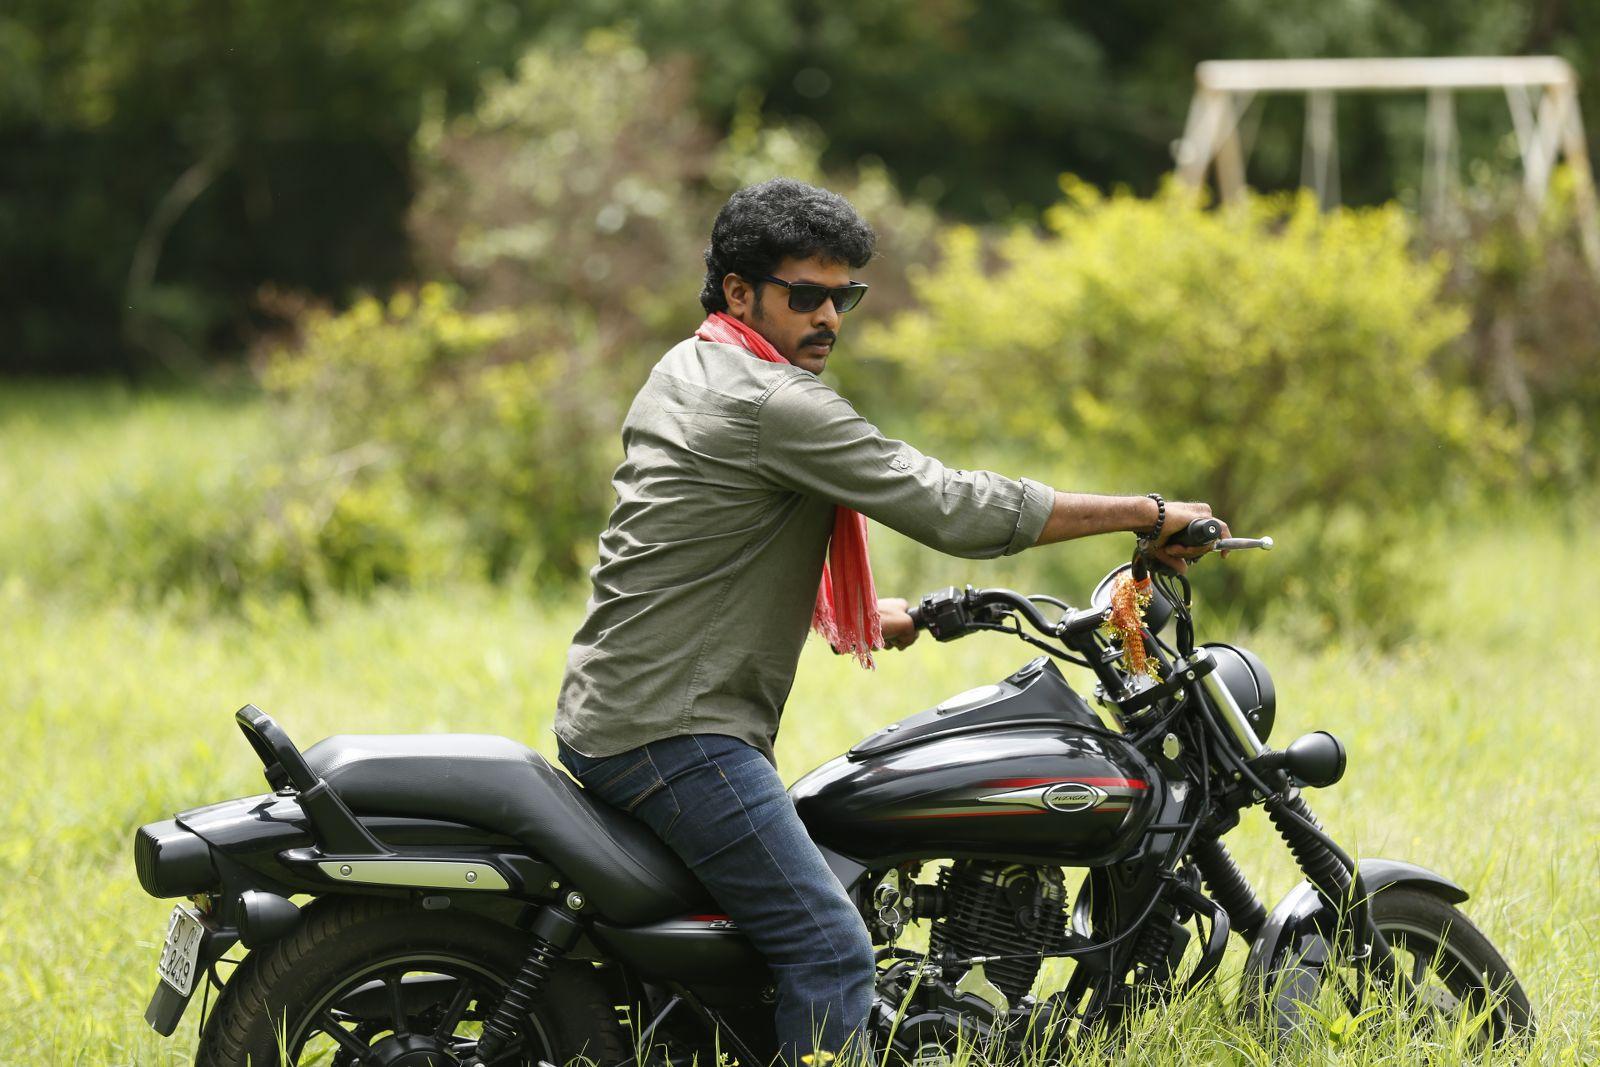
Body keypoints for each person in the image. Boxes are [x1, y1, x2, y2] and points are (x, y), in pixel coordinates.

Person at [552, 177, 1220, 1066]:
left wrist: (867, 615)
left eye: (845, 296)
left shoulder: (690, 364)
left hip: (621, 705)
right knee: (832, 950)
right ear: (740, 291)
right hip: (674, 732)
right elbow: (953, 506)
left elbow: (707, 539)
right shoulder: (777, 404)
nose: (830, 317)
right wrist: (1144, 511)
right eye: (807, 295)